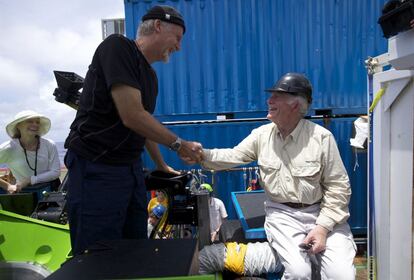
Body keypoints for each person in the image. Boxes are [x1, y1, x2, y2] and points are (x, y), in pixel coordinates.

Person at [64, 5, 202, 255]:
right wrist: (179, 144)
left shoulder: (150, 76)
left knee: (135, 249)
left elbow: (143, 123)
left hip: (130, 170)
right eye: (178, 38)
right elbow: (132, 115)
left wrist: (160, 165)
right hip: (96, 167)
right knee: (99, 254)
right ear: (158, 26)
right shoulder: (118, 47)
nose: (179, 47)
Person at [199, 73, 356, 279]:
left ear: (295, 105)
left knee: (341, 275)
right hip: (282, 214)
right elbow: (232, 155)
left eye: (277, 97)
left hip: (322, 213)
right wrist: (199, 154)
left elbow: (338, 187)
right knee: (299, 273)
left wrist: (322, 228)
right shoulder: (262, 135)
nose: (269, 101)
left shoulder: (321, 138)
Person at [0, 110, 60, 198]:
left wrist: (29, 180)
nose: (35, 124)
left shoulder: (49, 144)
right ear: (18, 125)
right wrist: (7, 186)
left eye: (37, 122)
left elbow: (56, 172)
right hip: (23, 194)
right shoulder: (8, 148)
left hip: (51, 190)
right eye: (30, 121)